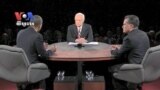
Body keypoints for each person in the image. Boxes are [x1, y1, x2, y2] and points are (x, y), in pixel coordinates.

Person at [110, 15, 150, 90]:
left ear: (131, 26)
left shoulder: (128, 38)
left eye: (124, 24)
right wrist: (122, 47)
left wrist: (112, 50)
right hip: (144, 66)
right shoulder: (144, 34)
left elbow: (117, 54)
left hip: (133, 67)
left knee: (111, 68)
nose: (122, 26)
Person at [16, 15, 56, 90]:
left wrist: (40, 46)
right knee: (48, 69)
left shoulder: (20, 32)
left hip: (20, 66)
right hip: (31, 67)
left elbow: (26, 46)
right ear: (40, 25)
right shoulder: (38, 36)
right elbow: (44, 55)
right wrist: (51, 50)